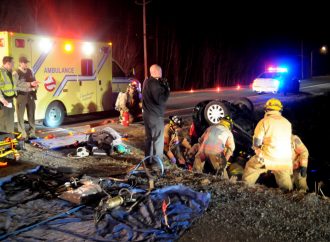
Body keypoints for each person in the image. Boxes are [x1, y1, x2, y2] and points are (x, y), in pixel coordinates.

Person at [242, 98, 293, 191]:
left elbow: (257, 142)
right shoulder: (287, 122)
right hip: (285, 158)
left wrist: (257, 151)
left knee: (251, 167)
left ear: (266, 109)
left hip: (269, 157)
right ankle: (290, 196)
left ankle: (245, 189)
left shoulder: (264, 122)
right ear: (280, 110)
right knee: (284, 180)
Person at [142, 64, 170, 162]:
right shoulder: (154, 84)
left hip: (147, 115)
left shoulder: (146, 82)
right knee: (158, 140)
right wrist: (167, 90)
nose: (161, 73)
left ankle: (148, 160)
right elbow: (160, 100)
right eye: (160, 71)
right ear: (156, 72)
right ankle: (157, 164)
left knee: (149, 138)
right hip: (155, 116)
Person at [14, 56, 39, 140]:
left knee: (31, 114)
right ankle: (23, 134)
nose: (26, 64)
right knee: (20, 115)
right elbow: (15, 87)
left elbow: (34, 81)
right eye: (24, 63)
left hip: (31, 95)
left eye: (27, 62)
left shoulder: (30, 71)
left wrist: (36, 86)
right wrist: (28, 87)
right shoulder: (16, 73)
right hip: (21, 96)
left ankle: (32, 133)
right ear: (20, 63)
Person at [0, 56, 17, 133]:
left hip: (10, 100)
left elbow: (16, 84)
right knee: (3, 121)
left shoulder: (10, 73)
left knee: (10, 119)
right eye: (13, 63)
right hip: (3, 101)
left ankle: (9, 139)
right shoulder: (1, 72)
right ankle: (4, 141)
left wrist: (30, 84)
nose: (14, 64)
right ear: (8, 63)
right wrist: (2, 99)